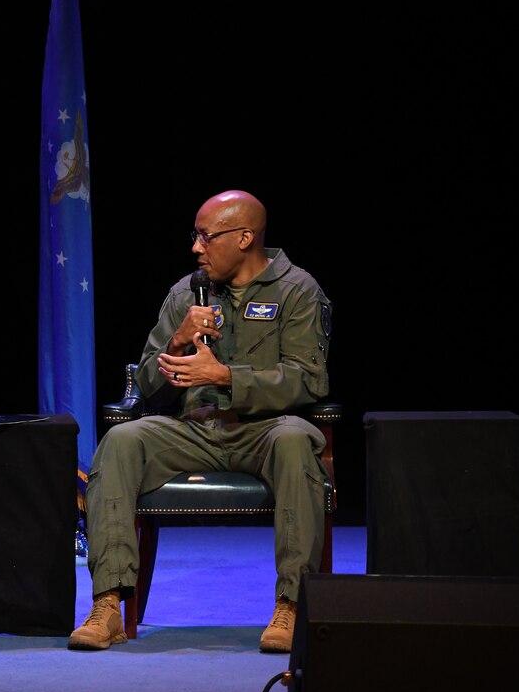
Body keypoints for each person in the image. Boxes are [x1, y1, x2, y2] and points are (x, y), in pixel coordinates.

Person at [68, 189, 332, 653]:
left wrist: (227, 376)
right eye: (196, 236)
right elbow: (148, 381)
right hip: (193, 429)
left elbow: (308, 380)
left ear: (245, 237)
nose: (196, 247)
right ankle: (107, 605)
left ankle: (292, 605)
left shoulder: (297, 290)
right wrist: (176, 343)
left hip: (265, 430)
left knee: (295, 441)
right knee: (122, 440)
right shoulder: (186, 292)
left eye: (207, 237)